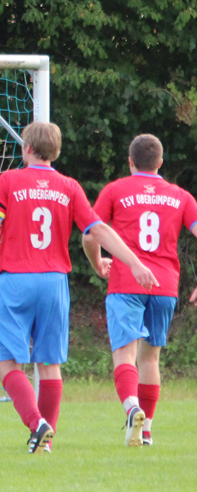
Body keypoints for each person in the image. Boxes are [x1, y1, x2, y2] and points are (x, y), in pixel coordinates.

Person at [0, 122, 158, 453]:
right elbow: (98, 230)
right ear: (56, 152)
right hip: (54, 282)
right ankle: (47, 441)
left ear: (27, 148)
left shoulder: (10, 180)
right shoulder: (68, 186)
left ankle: (36, 423)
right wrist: (134, 262)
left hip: (15, 279)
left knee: (5, 361)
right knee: (49, 364)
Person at [82, 133, 197, 447]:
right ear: (160, 163)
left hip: (126, 282)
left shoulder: (115, 190)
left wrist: (97, 263)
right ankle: (146, 431)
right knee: (150, 359)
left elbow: (91, 234)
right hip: (164, 286)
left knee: (125, 353)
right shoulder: (181, 196)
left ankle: (132, 408)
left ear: (130, 162)